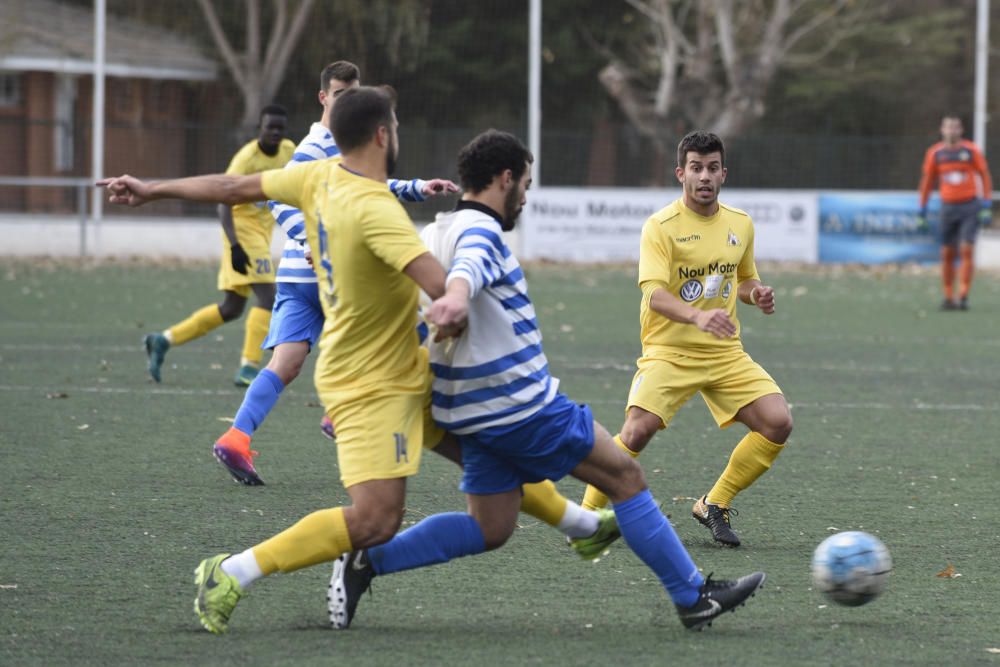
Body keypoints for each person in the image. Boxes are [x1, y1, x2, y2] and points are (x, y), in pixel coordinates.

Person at [98, 87, 618, 636]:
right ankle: (230, 571)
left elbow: (232, 187)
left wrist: (151, 188)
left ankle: (581, 523)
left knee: (491, 449)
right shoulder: (377, 212)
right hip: (373, 385)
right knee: (375, 519)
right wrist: (460, 301)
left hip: (403, 370)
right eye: (395, 122)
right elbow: (444, 290)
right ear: (382, 134)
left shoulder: (317, 177)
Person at [327, 129, 765, 634]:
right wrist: (456, 296)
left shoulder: (431, 235)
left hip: (464, 407)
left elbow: (397, 314)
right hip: (521, 405)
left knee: (491, 526)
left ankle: (367, 562)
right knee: (624, 476)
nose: (528, 197)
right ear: (505, 180)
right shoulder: (481, 234)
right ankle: (692, 596)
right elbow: (468, 271)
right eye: (526, 185)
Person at [212, 61, 459, 486]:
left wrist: (419, 187)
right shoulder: (314, 148)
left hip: (298, 275)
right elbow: (279, 202)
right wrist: (311, 244)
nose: (350, 101)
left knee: (285, 363)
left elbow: (369, 186)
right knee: (406, 325)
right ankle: (339, 415)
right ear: (324, 98)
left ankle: (237, 437)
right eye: (342, 94)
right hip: (326, 272)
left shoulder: (342, 144)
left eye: (354, 93)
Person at [579, 130, 793, 549]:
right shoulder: (661, 227)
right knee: (636, 431)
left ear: (724, 173)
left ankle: (714, 503)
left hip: (724, 353)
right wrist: (698, 316)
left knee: (778, 422)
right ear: (681, 173)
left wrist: (758, 293)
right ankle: (586, 519)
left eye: (712, 168)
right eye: (696, 168)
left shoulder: (740, 224)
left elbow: (744, 280)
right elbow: (654, 295)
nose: (704, 177)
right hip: (669, 351)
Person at [142, 105, 295, 386]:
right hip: (242, 233)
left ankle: (163, 340)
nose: (275, 132)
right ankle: (249, 367)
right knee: (269, 298)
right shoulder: (246, 158)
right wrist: (235, 245)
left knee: (232, 308)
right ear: (259, 128)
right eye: (269, 127)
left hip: (262, 234)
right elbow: (224, 199)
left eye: (279, 128)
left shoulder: (289, 151)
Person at [918, 114, 993, 311]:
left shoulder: (970, 151)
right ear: (942, 130)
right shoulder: (935, 153)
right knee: (947, 253)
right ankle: (948, 296)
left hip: (969, 206)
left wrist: (986, 203)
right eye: (948, 127)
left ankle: (963, 295)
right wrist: (922, 208)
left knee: (967, 249)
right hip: (947, 208)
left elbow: (984, 175)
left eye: (955, 127)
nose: (951, 131)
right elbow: (927, 181)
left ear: (961, 130)